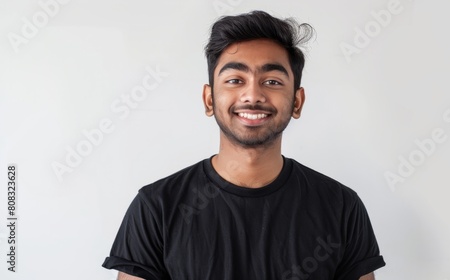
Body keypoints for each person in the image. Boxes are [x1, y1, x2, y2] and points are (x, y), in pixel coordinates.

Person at [102, 10, 385, 280]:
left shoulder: (341, 207)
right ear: (209, 99)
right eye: (235, 80)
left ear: (296, 102)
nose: (253, 95)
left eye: (272, 81)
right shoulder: (156, 208)